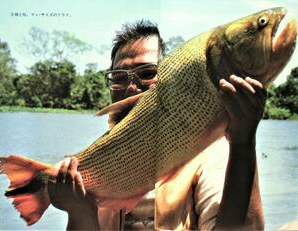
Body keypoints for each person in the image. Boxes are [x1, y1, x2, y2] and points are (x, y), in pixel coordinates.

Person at [48, 20, 265, 230]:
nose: (131, 88)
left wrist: (243, 143)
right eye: (119, 77)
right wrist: (79, 212)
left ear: (171, 78)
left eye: (147, 73)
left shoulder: (208, 150)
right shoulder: (100, 164)